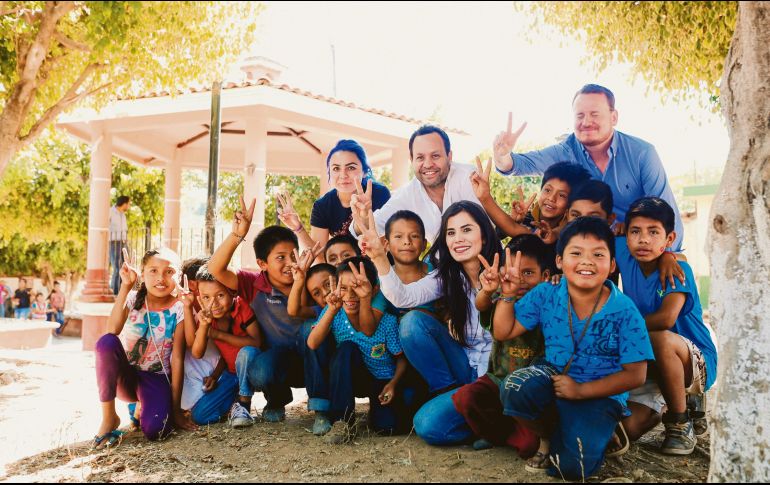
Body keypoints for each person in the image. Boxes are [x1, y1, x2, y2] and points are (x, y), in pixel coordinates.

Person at [496, 217, 654, 480]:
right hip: (554, 377)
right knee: (514, 387)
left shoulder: (625, 310)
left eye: (598, 254)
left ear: (612, 265)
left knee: (572, 468)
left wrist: (581, 391)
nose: (586, 261)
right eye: (576, 253)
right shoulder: (548, 293)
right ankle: (548, 437)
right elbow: (504, 330)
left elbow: (636, 375)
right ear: (559, 261)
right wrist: (508, 294)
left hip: (600, 392)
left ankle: (603, 428)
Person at [492, 84, 684, 250]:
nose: (586, 122)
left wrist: (670, 255)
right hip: (588, 247)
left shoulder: (642, 153)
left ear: (614, 117)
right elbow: (519, 164)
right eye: (580, 115)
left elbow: (666, 212)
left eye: (594, 114)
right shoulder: (565, 151)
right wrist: (502, 155)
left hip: (641, 245)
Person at [414, 235, 551, 460]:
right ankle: (498, 433)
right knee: (466, 397)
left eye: (528, 273)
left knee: (529, 445)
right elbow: (481, 304)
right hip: (497, 379)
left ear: (545, 275)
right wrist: (487, 291)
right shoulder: (504, 296)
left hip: (526, 392)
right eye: (512, 272)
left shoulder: (550, 303)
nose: (520, 280)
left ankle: (508, 433)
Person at [208, 196, 334, 431]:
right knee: (260, 369)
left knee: (310, 328)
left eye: (293, 254)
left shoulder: (307, 280)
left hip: (313, 360)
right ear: (262, 263)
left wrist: (298, 229)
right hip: (278, 362)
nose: (290, 262)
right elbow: (215, 269)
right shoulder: (253, 283)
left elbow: (326, 266)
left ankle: (322, 409)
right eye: (280, 258)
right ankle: (276, 400)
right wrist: (238, 235)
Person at [357, 201, 498, 395]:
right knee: (426, 423)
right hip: (464, 366)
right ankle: (446, 391)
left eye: (466, 230)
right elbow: (402, 297)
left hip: (500, 373)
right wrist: (379, 258)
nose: (458, 239)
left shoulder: (507, 274)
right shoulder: (446, 277)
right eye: (451, 233)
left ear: (484, 235)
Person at [616, 197, 717, 455]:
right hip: (648, 357)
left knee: (659, 337)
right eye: (635, 231)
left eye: (653, 232)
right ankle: (659, 410)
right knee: (622, 432)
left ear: (669, 239)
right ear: (625, 235)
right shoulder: (625, 254)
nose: (643, 240)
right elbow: (588, 242)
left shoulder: (677, 269)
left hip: (692, 362)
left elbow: (666, 319)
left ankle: (680, 422)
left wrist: (618, 326)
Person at [92, 248, 196, 448]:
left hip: (155, 378)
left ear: (179, 276)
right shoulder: (131, 299)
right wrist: (125, 286)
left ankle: (143, 404)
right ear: (142, 274)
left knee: (157, 430)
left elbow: (177, 359)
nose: (161, 278)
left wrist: (175, 411)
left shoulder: (179, 308)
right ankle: (109, 417)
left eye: (169, 272)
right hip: (126, 377)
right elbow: (112, 329)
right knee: (106, 342)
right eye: (153, 271)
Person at [307, 258, 409, 443]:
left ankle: (376, 414)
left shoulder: (386, 321)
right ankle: (342, 421)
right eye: (343, 288)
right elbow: (313, 344)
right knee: (346, 348)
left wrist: (393, 383)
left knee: (388, 427)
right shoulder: (335, 312)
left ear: (374, 290)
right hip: (352, 377)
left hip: (382, 380)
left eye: (358, 287)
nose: (350, 295)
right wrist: (331, 310)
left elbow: (401, 358)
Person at [349, 125, 481, 244]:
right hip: (445, 269)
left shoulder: (467, 176)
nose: (428, 164)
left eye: (435, 156)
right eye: (420, 158)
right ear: (411, 160)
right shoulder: (407, 195)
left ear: (449, 156)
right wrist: (364, 217)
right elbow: (371, 228)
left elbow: (488, 227)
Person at [276, 139, 391, 254]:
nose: (343, 175)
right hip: (343, 270)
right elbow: (318, 254)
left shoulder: (380, 194)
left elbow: (389, 242)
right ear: (329, 173)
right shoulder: (322, 206)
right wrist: (298, 227)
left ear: (365, 171)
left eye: (351, 167)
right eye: (336, 168)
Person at [187, 266, 262, 428]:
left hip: (255, 370)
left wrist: (218, 335)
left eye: (220, 295)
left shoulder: (242, 307)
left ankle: (244, 405)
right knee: (199, 416)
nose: (214, 304)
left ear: (232, 292)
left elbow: (256, 343)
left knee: (246, 353)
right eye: (206, 297)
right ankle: (232, 405)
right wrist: (214, 376)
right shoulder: (207, 317)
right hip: (231, 374)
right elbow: (197, 352)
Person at [472, 158, 590, 242]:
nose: (551, 198)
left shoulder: (573, 230)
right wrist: (512, 221)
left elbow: (514, 230)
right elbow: (498, 235)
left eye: (562, 195)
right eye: (547, 190)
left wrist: (485, 198)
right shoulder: (528, 219)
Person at [109, 196, 131, 295]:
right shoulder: (110, 212)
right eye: (129, 204)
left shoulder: (123, 215)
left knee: (125, 266)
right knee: (116, 267)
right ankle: (115, 290)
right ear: (124, 203)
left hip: (123, 242)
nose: (129, 206)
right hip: (114, 242)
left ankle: (122, 290)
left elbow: (124, 230)